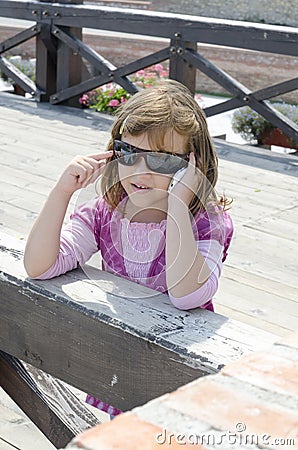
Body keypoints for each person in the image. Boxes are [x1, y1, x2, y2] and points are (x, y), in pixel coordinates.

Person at [24, 80, 233, 418]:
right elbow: (39, 266)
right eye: (129, 153)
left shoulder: (205, 222)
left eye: (163, 162)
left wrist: (178, 206)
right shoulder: (104, 213)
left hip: (182, 372)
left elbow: (186, 296)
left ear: (193, 167)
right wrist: (62, 192)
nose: (140, 171)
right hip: (122, 362)